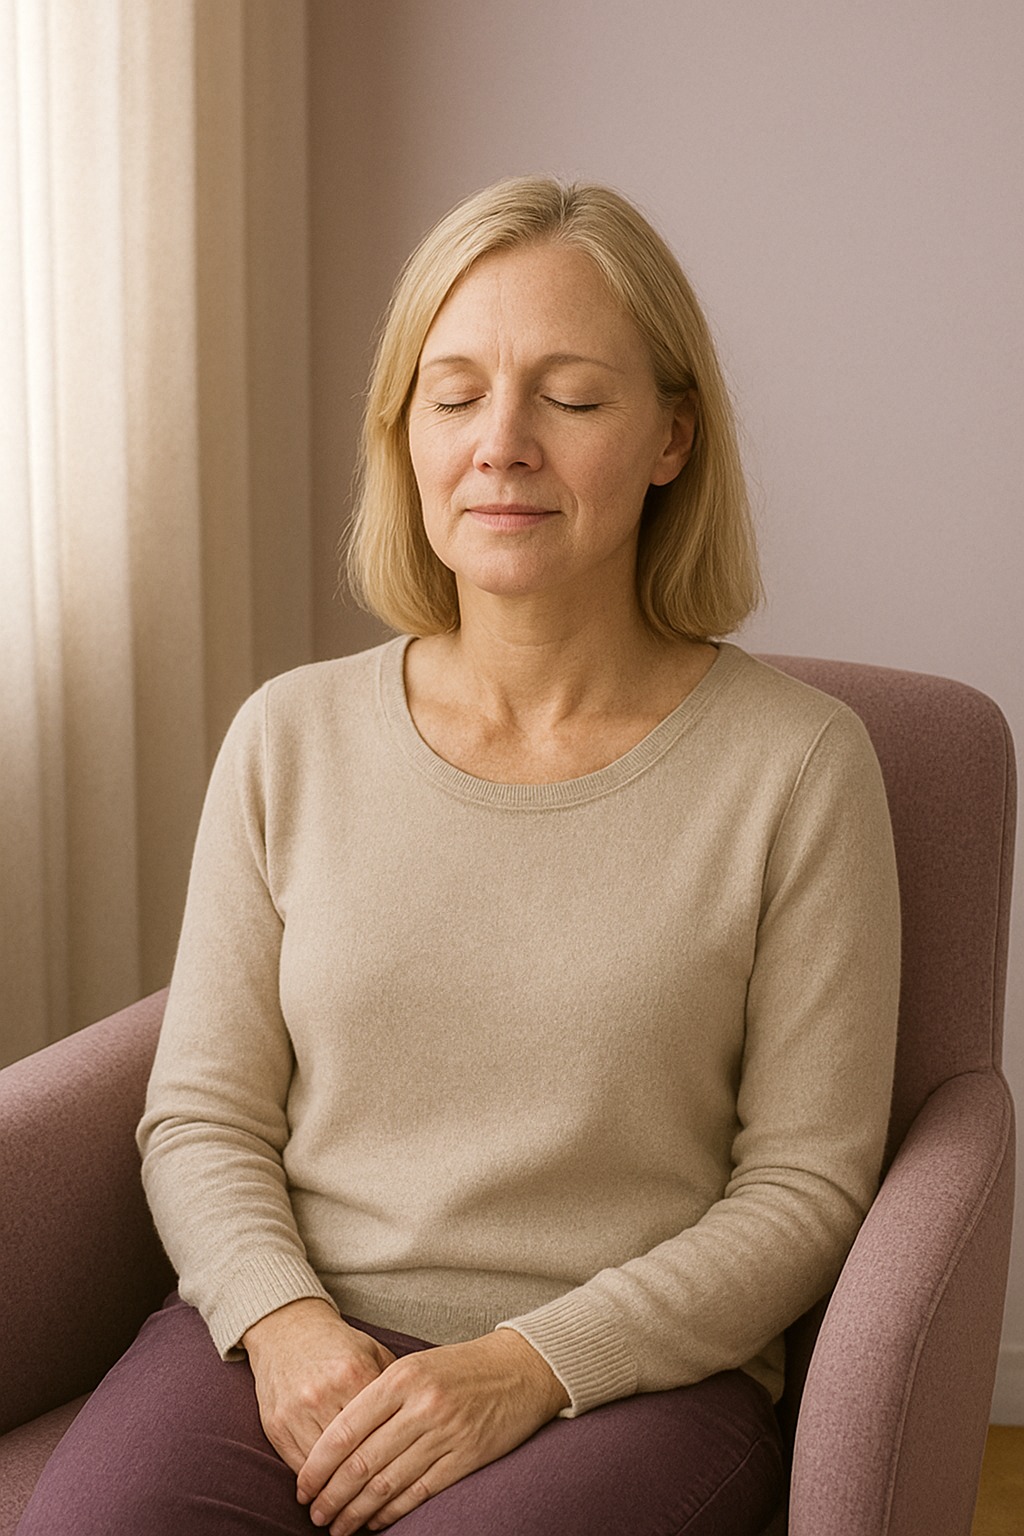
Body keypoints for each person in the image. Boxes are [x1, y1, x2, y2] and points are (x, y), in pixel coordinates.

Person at [17, 176, 900, 1536]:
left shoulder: (799, 766)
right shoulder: (288, 736)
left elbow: (804, 1189)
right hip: (293, 1338)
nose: (501, 445)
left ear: (672, 436)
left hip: (623, 1382)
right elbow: (202, 1116)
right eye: (455, 396)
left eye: (572, 399)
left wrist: (527, 1368)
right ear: (407, 435)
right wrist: (283, 1322)